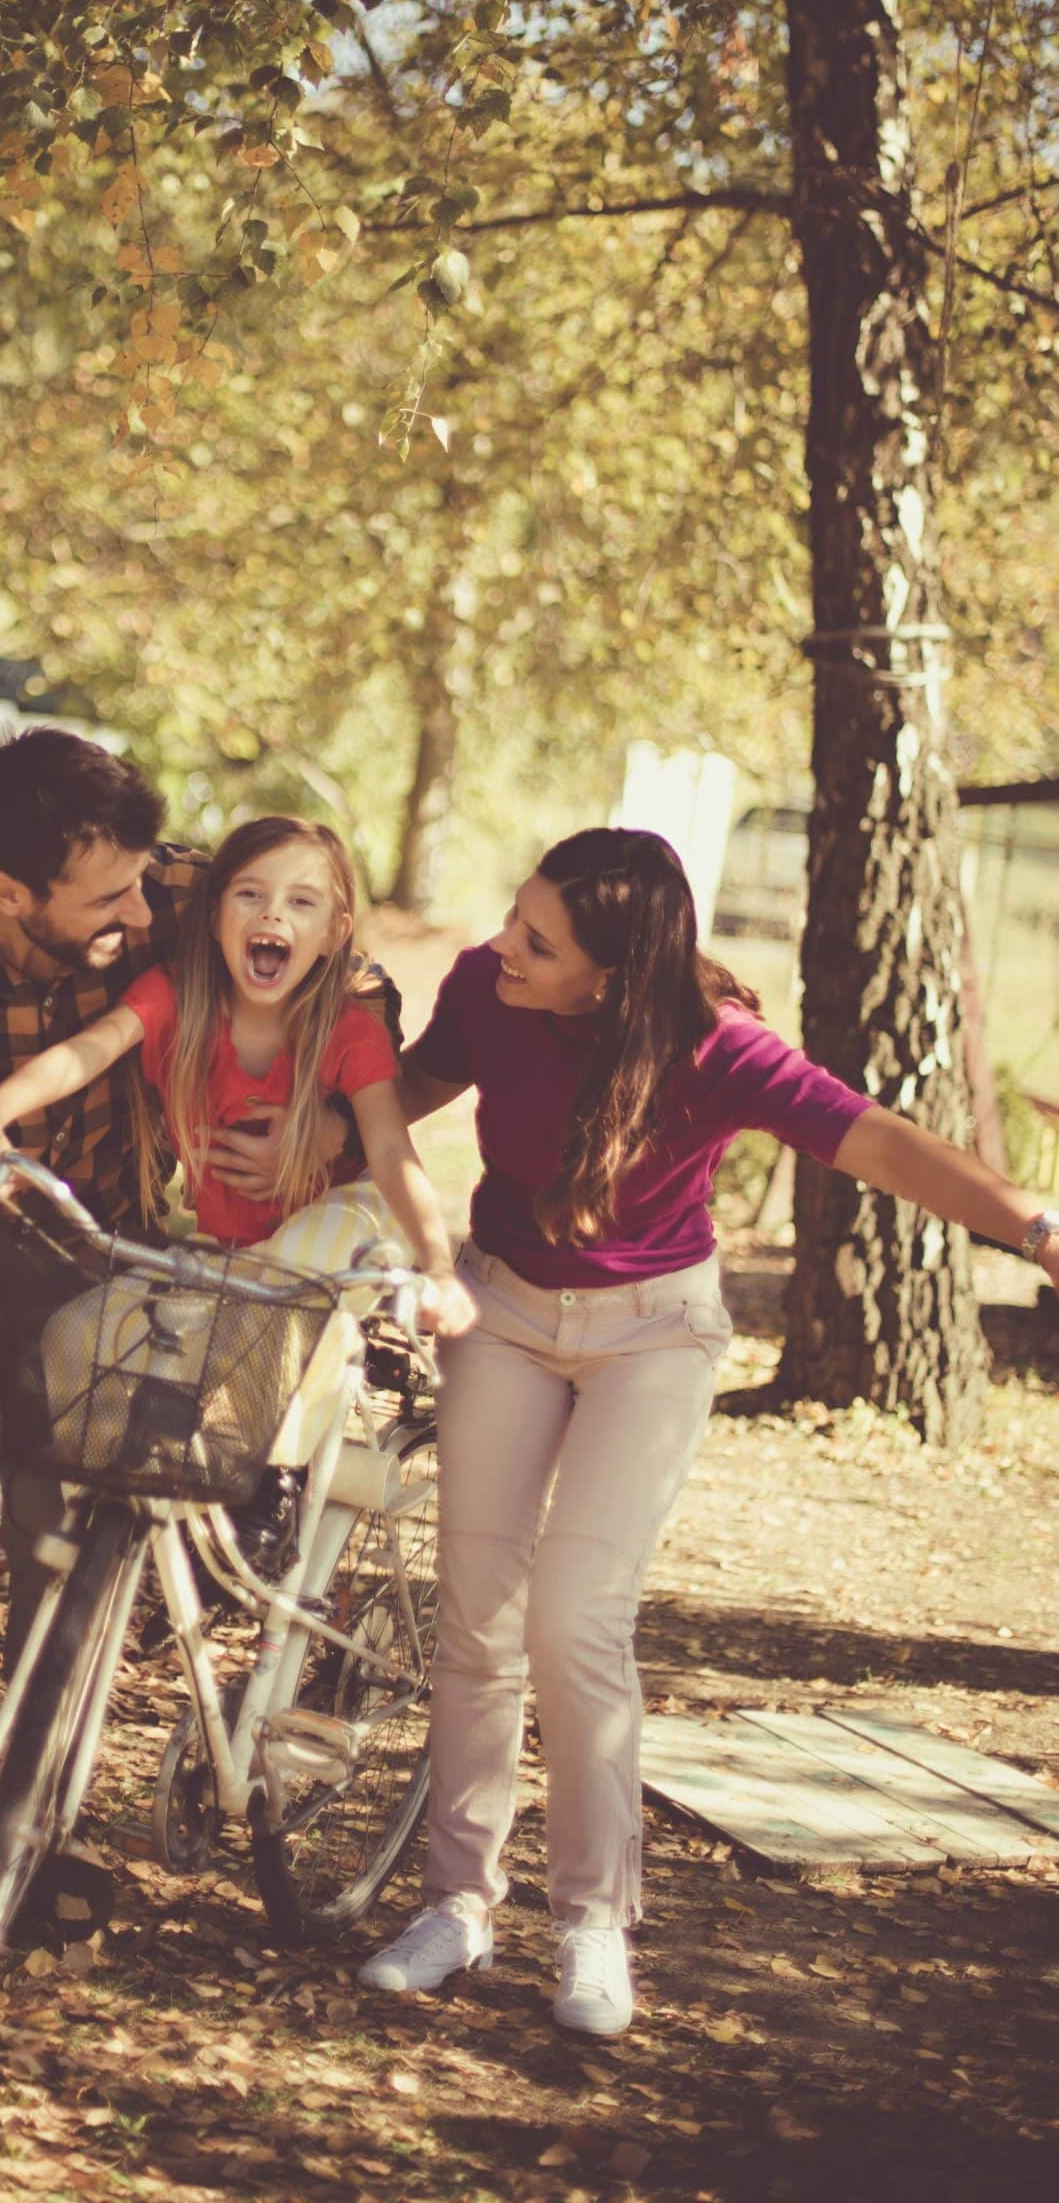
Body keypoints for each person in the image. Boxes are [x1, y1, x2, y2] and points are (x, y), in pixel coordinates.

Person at [357, 826, 1059, 2037]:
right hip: (507, 1309)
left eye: (539, 937)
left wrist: (1036, 1227)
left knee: (575, 1622)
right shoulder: (487, 986)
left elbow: (878, 1138)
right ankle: (458, 1906)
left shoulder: (715, 1049)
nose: (503, 944)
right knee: (476, 1617)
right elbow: (413, 1086)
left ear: (615, 975)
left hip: (652, 1334)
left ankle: (593, 1922)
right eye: (517, 915)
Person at [0, 733, 392, 1943]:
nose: (143, 904)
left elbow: (357, 985)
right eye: (107, 896)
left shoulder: (171, 889)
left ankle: (31, 1838)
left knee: (63, 1561)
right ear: (11, 891)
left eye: (141, 882)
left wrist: (315, 1130)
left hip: (96, 1274)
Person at [0, 814, 476, 1343]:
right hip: (231, 1246)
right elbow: (84, 1053)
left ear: (334, 933)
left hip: (352, 1224)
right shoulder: (176, 1001)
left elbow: (390, 1151)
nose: (272, 915)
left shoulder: (348, 1033)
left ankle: (282, 1441)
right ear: (213, 918)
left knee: (280, 1293)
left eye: (302, 902)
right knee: (83, 1336)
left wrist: (438, 1267)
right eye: (250, 894)